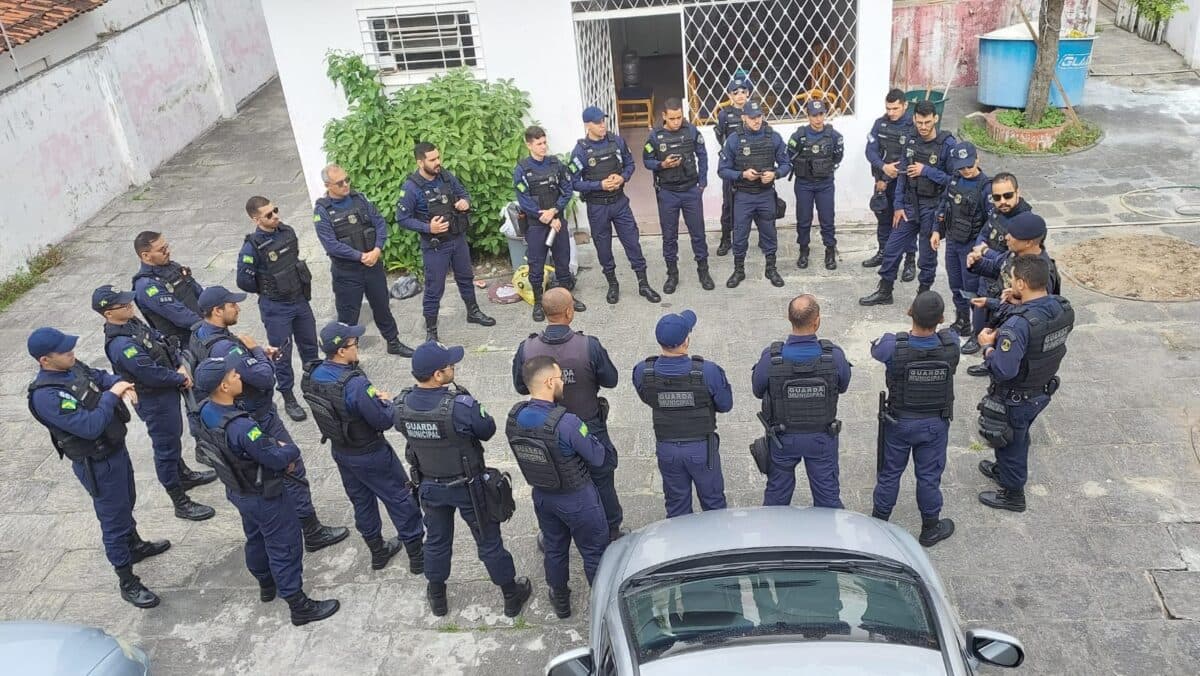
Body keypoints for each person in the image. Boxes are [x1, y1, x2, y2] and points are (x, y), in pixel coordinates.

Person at [190, 286, 350, 553]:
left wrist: (253, 356)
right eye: (232, 305)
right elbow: (264, 378)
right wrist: (256, 352)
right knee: (291, 466)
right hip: (257, 415)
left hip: (231, 413)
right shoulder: (226, 347)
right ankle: (311, 530)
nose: (238, 308)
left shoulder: (200, 334)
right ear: (217, 311)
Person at [27, 327, 169, 608]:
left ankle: (135, 545)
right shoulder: (47, 396)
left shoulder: (71, 366)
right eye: (64, 351)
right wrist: (113, 394)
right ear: (45, 360)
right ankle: (127, 581)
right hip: (97, 462)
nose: (71, 352)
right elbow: (90, 426)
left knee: (127, 500)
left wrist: (120, 383)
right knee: (113, 521)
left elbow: (99, 377)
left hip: (115, 449)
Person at [193, 356, 340, 625]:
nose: (239, 376)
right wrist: (289, 449)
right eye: (233, 375)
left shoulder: (204, 411)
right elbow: (275, 458)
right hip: (263, 495)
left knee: (256, 537)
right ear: (223, 386)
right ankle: (298, 604)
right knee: (285, 544)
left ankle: (266, 584)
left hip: (238, 490)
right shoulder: (242, 427)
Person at [395, 342, 532, 618]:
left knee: (436, 541)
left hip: (429, 486)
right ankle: (510, 596)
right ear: (437, 375)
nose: (453, 368)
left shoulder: (401, 405)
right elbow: (487, 429)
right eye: (449, 366)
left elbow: (399, 427)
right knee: (488, 541)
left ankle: (437, 597)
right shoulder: (459, 406)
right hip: (468, 487)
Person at [302, 322, 425, 573]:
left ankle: (378, 553)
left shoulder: (314, 375)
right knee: (400, 499)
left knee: (361, 502)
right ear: (341, 351)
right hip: (371, 453)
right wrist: (387, 403)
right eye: (354, 343)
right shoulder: (355, 384)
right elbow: (383, 420)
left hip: (341, 451)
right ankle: (418, 558)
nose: (357, 347)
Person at [95, 284, 216, 522]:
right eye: (123, 304)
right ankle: (179, 500)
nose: (130, 305)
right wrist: (179, 378)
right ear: (109, 313)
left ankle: (183, 475)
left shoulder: (131, 323)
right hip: (154, 400)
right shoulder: (121, 345)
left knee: (173, 437)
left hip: (166, 389)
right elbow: (150, 373)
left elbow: (159, 340)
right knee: (166, 448)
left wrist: (179, 363)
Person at [512, 287, 624, 539]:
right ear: (569, 312)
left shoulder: (526, 348)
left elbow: (520, 386)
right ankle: (612, 529)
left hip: (545, 428)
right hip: (588, 424)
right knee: (601, 475)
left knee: (551, 478)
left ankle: (554, 533)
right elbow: (611, 380)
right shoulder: (588, 346)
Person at [506, 355, 609, 619]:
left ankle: (560, 600)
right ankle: (603, 604)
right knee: (594, 552)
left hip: (543, 496)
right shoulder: (567, 423)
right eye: (560, 378)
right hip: (578, 498)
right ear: (550, 382)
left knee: (554, 547)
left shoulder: (514, 418)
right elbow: (598, 457)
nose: (563, 382)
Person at [974, 255, 1074, 512]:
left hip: (1016, 395)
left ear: (1021, 284)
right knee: (1018, 435)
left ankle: (1013, 494)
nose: (1010, 284)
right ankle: (1004, 471)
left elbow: (1004, 370)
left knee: (1011, 442)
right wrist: (1013, 303)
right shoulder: (1062, 308)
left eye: (1012, 280)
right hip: (1041, 388)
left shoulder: (1017, 327)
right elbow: (1038, 327)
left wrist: (987, 348)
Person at [869, 291, 958, 547]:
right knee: (929, 477)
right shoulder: (950, 344)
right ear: (941, 319)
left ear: (910, 312)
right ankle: (930, 528)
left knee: (889, 474)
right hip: (934, 424)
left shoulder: (892, 346)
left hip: (899, 423)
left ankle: (879, 525)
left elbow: (875, 349)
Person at [753, 295, 852, 508]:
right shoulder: (834, 357)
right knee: (828, 499)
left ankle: (772, 530)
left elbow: (757, 390)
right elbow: (843, 386)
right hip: (821, 438)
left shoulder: (770, 358)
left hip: (782, 439)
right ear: (817, 321)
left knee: (776, 499)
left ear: (789, 318)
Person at [632, 310, 733, 518]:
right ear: (686, 341)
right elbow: (725, 405)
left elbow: (647, 398)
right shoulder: (708, 371)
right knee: (714, 505)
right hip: (701, 448)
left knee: (677, 507)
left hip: (667, 447)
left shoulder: (643, 371)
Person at [396, 142, 496, 342]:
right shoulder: (410, 188)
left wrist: (465, 202)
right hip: (435, 245)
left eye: (438, 157)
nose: (437, 162)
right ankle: (431, 330)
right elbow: (402, 219)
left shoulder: (446, 176)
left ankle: (473, 312)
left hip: (457, 238)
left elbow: (464, 194)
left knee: (466, 277)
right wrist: (428, 228)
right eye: (432, 159)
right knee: (434, 288)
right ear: (420, 162)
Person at [859, 100, 956, 306]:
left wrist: (926, 171)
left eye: (927, 122)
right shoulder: (911, 140)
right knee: (892, 248)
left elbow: (954, 181)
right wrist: (898, 206)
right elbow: (902, 175)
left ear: (935, 119)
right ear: (914, 119)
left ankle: (923, 297)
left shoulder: (947, 145)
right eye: (919, 122)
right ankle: (885, 291)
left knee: (927, 257)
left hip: (933, 206)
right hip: (910, 204)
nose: (923, 127)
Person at [313, 163, 415, 357]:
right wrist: (360, 256)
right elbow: (331, 244)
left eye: (347, 180)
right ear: (328, 185)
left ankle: (393, 342)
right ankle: (348, 357)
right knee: (348, 317)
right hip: (347, 272)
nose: (346, 185)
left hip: (372, 265)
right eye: (340, 183)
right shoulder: (322, 211)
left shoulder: (360, 199)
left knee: (382, 306)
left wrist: (377, 249)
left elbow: (379, 223)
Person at [236, 195, 318, 422]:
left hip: (299, 299)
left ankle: (315, 385)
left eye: (275, 210)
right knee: (282, 354)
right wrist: (268, 287)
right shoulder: (251, 247)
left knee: (310, 345)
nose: (275, 216)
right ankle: (289, 397)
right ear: (256, 219)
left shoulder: (287, 232)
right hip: (276, 307)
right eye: (269, 215)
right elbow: (243, 281)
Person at [568, 106, 661, 305]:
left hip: (619, 203)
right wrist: (599, 185)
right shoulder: (580, 151)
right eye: (597, 123)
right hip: (597, 207)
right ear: (587, 125)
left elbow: (630, 164)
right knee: (603, 249)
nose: (602, 125)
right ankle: (612, 284)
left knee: (633, 243)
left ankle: (643, 284)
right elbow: (574, 183)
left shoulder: (617, 141)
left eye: (603, 121)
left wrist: (622, 177)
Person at [967, 212, 1061, 377]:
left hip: (1019, 328)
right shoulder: (1014, 254)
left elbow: (1037, 311)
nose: (1006, 238)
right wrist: (976, 263)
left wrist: (999, 303)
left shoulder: (1042, 272)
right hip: (1003, 315)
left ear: (1028, 242)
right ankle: (991, 362)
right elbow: (997, 268)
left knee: (1009, 365)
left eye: (1013, 236)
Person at [513, 125, 587, 321]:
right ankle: (539, 303)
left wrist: (554, 212)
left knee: (563, 262)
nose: (543, 147)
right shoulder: (522, 169)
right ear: (529, 145)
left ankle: (566, 299)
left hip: (557, 222)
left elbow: (567, 190)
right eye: (539, 144)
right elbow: (524, 200)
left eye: (545, 142)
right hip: (536, 225)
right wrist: (544, 216)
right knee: (536, 266)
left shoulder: (556, 164)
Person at [718, 101, 792, 289]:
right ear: (744, 117)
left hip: (765, 194)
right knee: (740, 234)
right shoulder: (734, 140)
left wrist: (775, 174)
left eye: (759, 116)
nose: (756, 121)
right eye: (752, 117)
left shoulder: (773, 137)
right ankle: (739, 270)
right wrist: (742, 175)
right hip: (743, 195)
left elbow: (786, 164)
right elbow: (722, 170)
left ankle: (771, 269)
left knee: (769, 233)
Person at [642, 98, 712, 293]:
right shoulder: (655, 136)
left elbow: (702, 155)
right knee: (669, 236)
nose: (676, 122)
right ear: (664, 116)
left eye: (679, 117)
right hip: (668, 192)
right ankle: (672, 274)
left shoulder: (691, 131)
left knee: (698, 234)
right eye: (672, 118)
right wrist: (662, 164)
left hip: (690, 190)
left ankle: (703, 271)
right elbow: (647, 161)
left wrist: (702, 182)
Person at [965, 172, 1031, 355]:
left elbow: (1015, 258)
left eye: (1007, 196)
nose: (1002, 201)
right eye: (997, 197)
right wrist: (978, 250)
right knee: (979, 309)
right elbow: (984, 233)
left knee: (1003, 325)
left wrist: (986, 252)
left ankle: (994, 355)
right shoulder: (997, 212)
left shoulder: (1025, 221)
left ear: (1018, 192)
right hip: (988, 273)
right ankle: (977, 339)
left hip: (1007, 281)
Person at [931, 142, 989, 340]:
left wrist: (981, 249)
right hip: (953, 241)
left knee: (973, 291)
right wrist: (936, 230)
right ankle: (962, 320)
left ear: (977, 160)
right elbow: (943, 206)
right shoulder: (954, 181)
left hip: (972, 246)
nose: (966, 170)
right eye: (961, 167)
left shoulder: (986, 187)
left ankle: (977, 331)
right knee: (955, 285)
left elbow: (990, 222)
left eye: (969, 166)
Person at [863, 89, 918, 279]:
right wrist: (883, 168)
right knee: (883, 218)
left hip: (904, 184)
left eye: (895, 108)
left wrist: (892, 172)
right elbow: (870, 151)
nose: (891, 112)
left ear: (905, 106)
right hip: (882, 182)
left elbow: (912, 155)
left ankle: (910, 261)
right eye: (888, 108)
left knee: (906, 222)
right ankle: (883, 252)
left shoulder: (913, 126)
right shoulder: (880, 124)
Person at [788, 99, 844, 270]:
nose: (818, 119)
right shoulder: (799, 136)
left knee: (827, 219)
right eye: (814, 115)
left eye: (821, 114)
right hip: (804, 184)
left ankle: (830, 250)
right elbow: (789, 155)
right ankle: (803, 250)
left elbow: (837, 157)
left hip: (825, 184)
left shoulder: (834, 136)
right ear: (808, 116)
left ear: (825, 114)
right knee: (804, 219)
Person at [131, 231, 204, 346]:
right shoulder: (147, 286)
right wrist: (211, 327)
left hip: (203, 331)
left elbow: (198, 292)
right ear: (146, 256)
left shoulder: (172, 267)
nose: (168, 251)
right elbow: (179, 314)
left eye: (166, 247)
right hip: (187, 343)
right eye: (162, 250)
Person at [714, 75, 753, 256]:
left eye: (743, 92)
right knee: (728, 205)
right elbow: (720, 136)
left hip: (750, 165)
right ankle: (725, 239)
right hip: (731, 167)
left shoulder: (753, 111)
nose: (740, 95)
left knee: (755, 204)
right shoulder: (724, 114)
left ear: (748, 93)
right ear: (730, 95)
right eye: (735, 92)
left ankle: (761, 238)